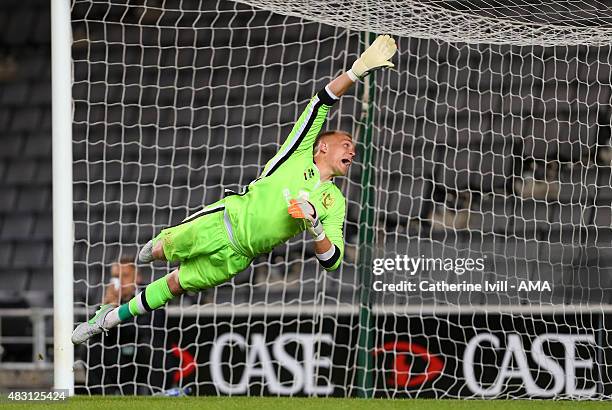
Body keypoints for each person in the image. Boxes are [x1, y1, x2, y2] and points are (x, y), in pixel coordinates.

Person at [72, 35, 397, 345]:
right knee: (155, 253)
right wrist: (356, 71)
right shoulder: (297, 154)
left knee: (173, 284)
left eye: (354, 150)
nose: (352, 152)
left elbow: (334, 260)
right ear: (322, 148)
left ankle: (108, 318)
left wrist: (315, 227)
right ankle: (154, 248)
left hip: (238, 257)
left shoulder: (334, 202)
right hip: (222, 222)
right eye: (346, 144)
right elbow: (321, 102)